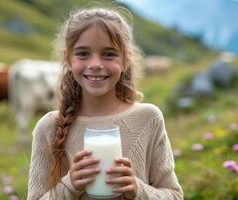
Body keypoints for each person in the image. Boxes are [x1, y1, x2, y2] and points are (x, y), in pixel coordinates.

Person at [27, 7, 183, 200]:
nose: (95, 64)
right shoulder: (48, 127)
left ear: (125, 60)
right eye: (83, 54)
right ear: (68, 59)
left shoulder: (148, 119)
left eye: (109, 54)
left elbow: (174, 195)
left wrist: (137, 189)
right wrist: (70, 186)